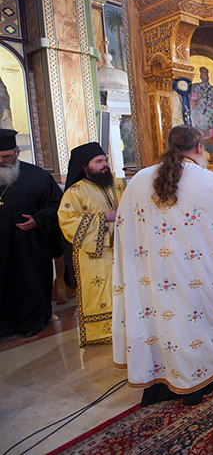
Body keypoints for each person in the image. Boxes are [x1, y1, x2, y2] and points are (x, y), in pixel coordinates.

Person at [113, 126, 213, 406]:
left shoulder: (138, 181)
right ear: (199, 148)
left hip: (152, 276)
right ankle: (195, 380)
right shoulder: (209, 181)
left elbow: (124, 228)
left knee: (161, 322)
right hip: (191, 279)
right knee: (191, 325)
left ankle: (160, 379)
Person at [58, 143, 125, 346]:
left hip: (121, 251)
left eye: (105, 160)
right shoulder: (75, 192)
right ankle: (100, 332)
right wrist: (105, 217)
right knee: (100, 293)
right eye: (98, 161)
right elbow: (67, 222)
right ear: (85, 166)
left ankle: (127, 327)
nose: (105, 165)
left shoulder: (118, 186)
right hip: (93, 256)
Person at [0, 129, 62, 338]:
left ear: (17, 153)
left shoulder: (38, 176)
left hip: (28, 246)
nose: (1, 161)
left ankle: (31, 322)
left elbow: (57, 205)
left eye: (6, 157)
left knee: (29, 284)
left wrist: (38, 219)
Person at [189, 67, 213, 140]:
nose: (205, 77)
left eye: (206, 75)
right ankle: (201, 134)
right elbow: (193, 97)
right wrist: (198, 96)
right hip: (201, 106)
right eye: (203, 75)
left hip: (210, 106)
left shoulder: (211, 88)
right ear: (201, 76)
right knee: (202, 115)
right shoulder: (198, 87)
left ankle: (212, 134)